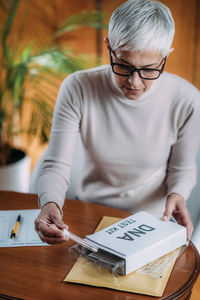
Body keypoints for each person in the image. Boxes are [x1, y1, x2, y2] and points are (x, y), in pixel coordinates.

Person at [35, 0, 200, 244]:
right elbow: (57, 163)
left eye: (149, 69)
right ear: (108, 47)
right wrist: (50, 202)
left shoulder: (187, 100)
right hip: (89, 214)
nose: (134, 82)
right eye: (123, 65)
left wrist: (177, 194)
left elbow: (182, 169)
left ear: (166, 57)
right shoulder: (78, 87)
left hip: (153, 221)